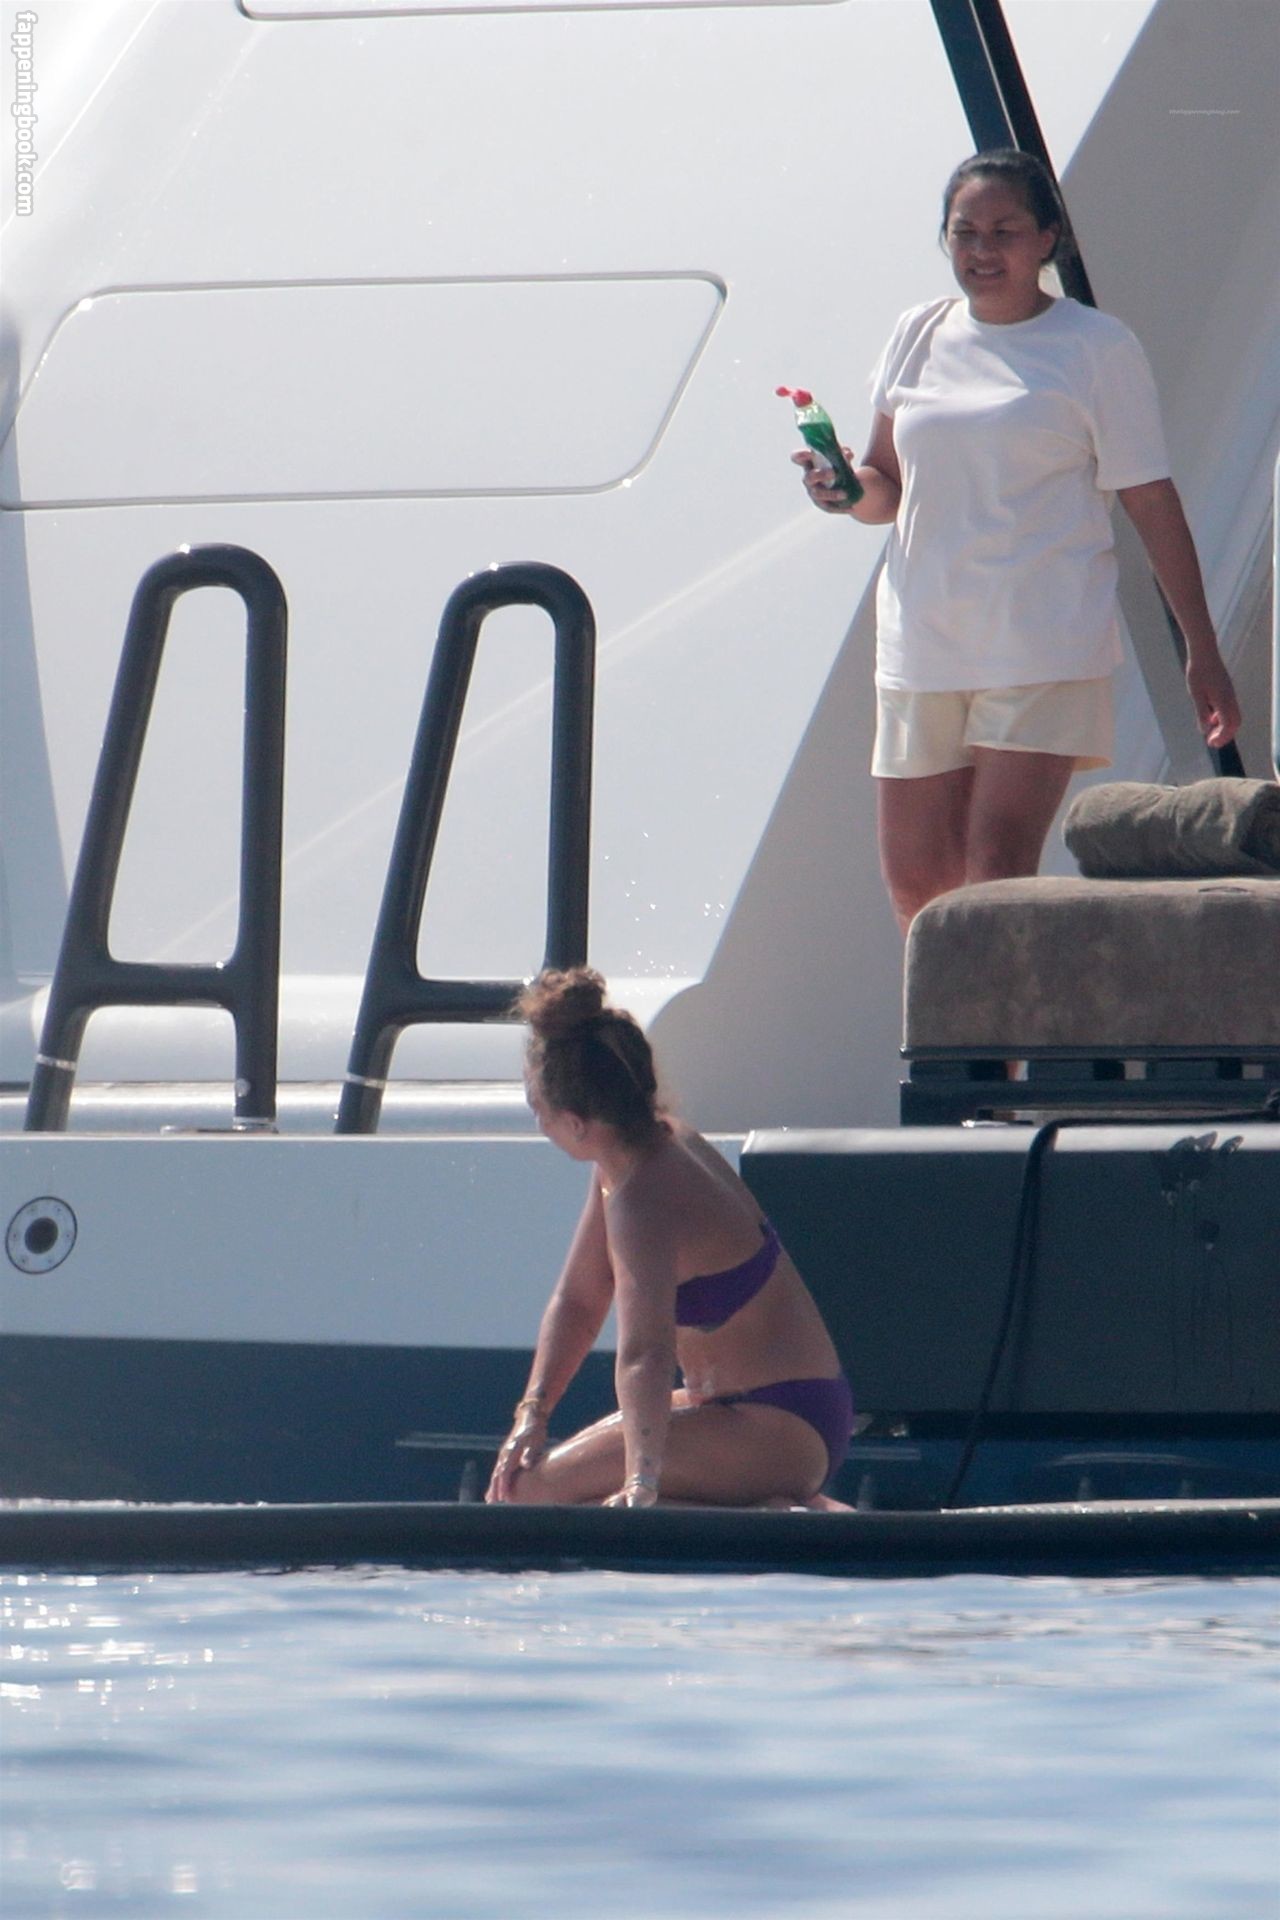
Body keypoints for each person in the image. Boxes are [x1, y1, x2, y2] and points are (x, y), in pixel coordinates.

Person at [794, 148, 1240, 934]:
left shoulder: (1096, 346)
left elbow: (1150, 500)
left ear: (1046, 240)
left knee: (995, 875)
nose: (981, 250)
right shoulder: (919, 332)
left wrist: (1200, 646)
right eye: (964, 232)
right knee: (917, 891)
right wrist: (842, 490)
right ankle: (957, 1025)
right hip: (923, 640)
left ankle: (998, 1021)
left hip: (1042, 642)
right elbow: (885, 487)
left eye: (1004, 231)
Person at [485, 967, 855, 1509]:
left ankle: (772, 1507)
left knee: (533, 1497)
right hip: (764, 1410)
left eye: (537, 1109)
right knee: (547, 1491)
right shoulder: (634, 1152)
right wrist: (531, 1416)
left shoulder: (643, 1197)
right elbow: (580, 1299)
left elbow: (646, 1354)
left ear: (577, 1123)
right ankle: (770, 1510)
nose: (538, 1122)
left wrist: (642, 1483)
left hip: (782, 1424)